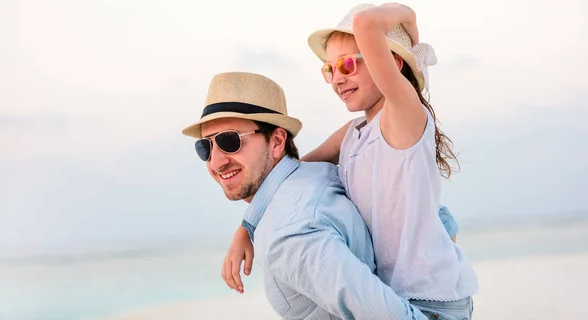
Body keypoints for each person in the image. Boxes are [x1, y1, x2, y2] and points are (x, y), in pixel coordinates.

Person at [223, 3, 478, 319]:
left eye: (347, 65)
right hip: (394, 297)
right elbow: (292, 173)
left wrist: (408, 17)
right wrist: (246, 228)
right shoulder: (356, 132)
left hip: (431, 303)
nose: (336, 80)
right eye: (329, 70)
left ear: (392, 62)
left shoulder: (403, 114)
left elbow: (366, 23)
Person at [182, 71, 440, 319]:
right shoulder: (317, 173)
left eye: (230, 141)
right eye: (205, 147)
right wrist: (246, 227)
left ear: (276, 141)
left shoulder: (289, 233)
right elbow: (417, 203)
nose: (216, 162)